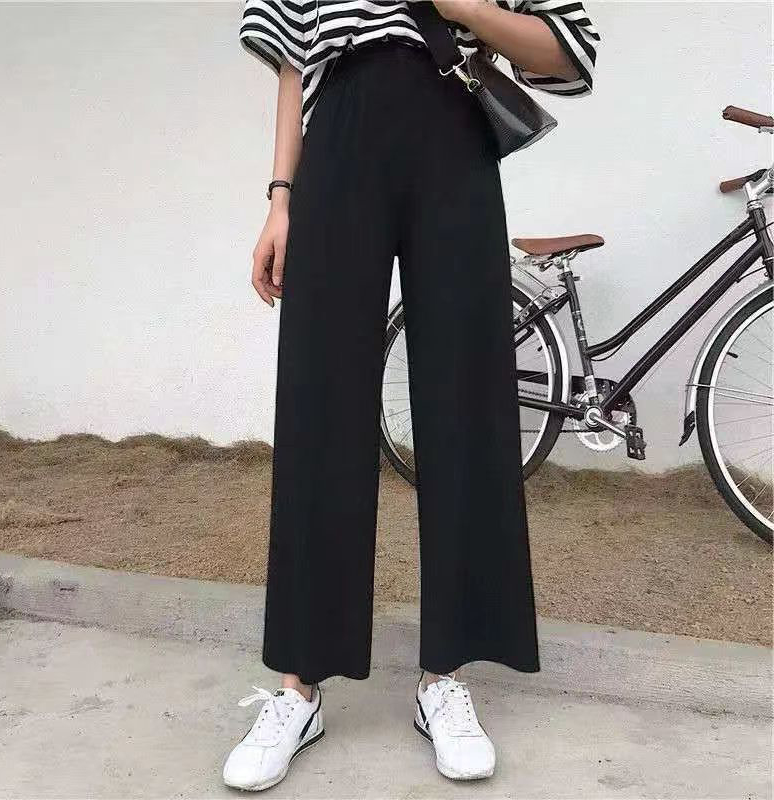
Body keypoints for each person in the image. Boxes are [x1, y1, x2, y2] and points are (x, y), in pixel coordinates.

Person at [224, 0, 599, 790]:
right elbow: (295, 59)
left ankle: (444, 678)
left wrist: (463, 8)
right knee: (319, 400)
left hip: (451, 134)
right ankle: (299, 687)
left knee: (465, 399)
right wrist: (280, 197)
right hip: (339, 138)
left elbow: (566, 50)